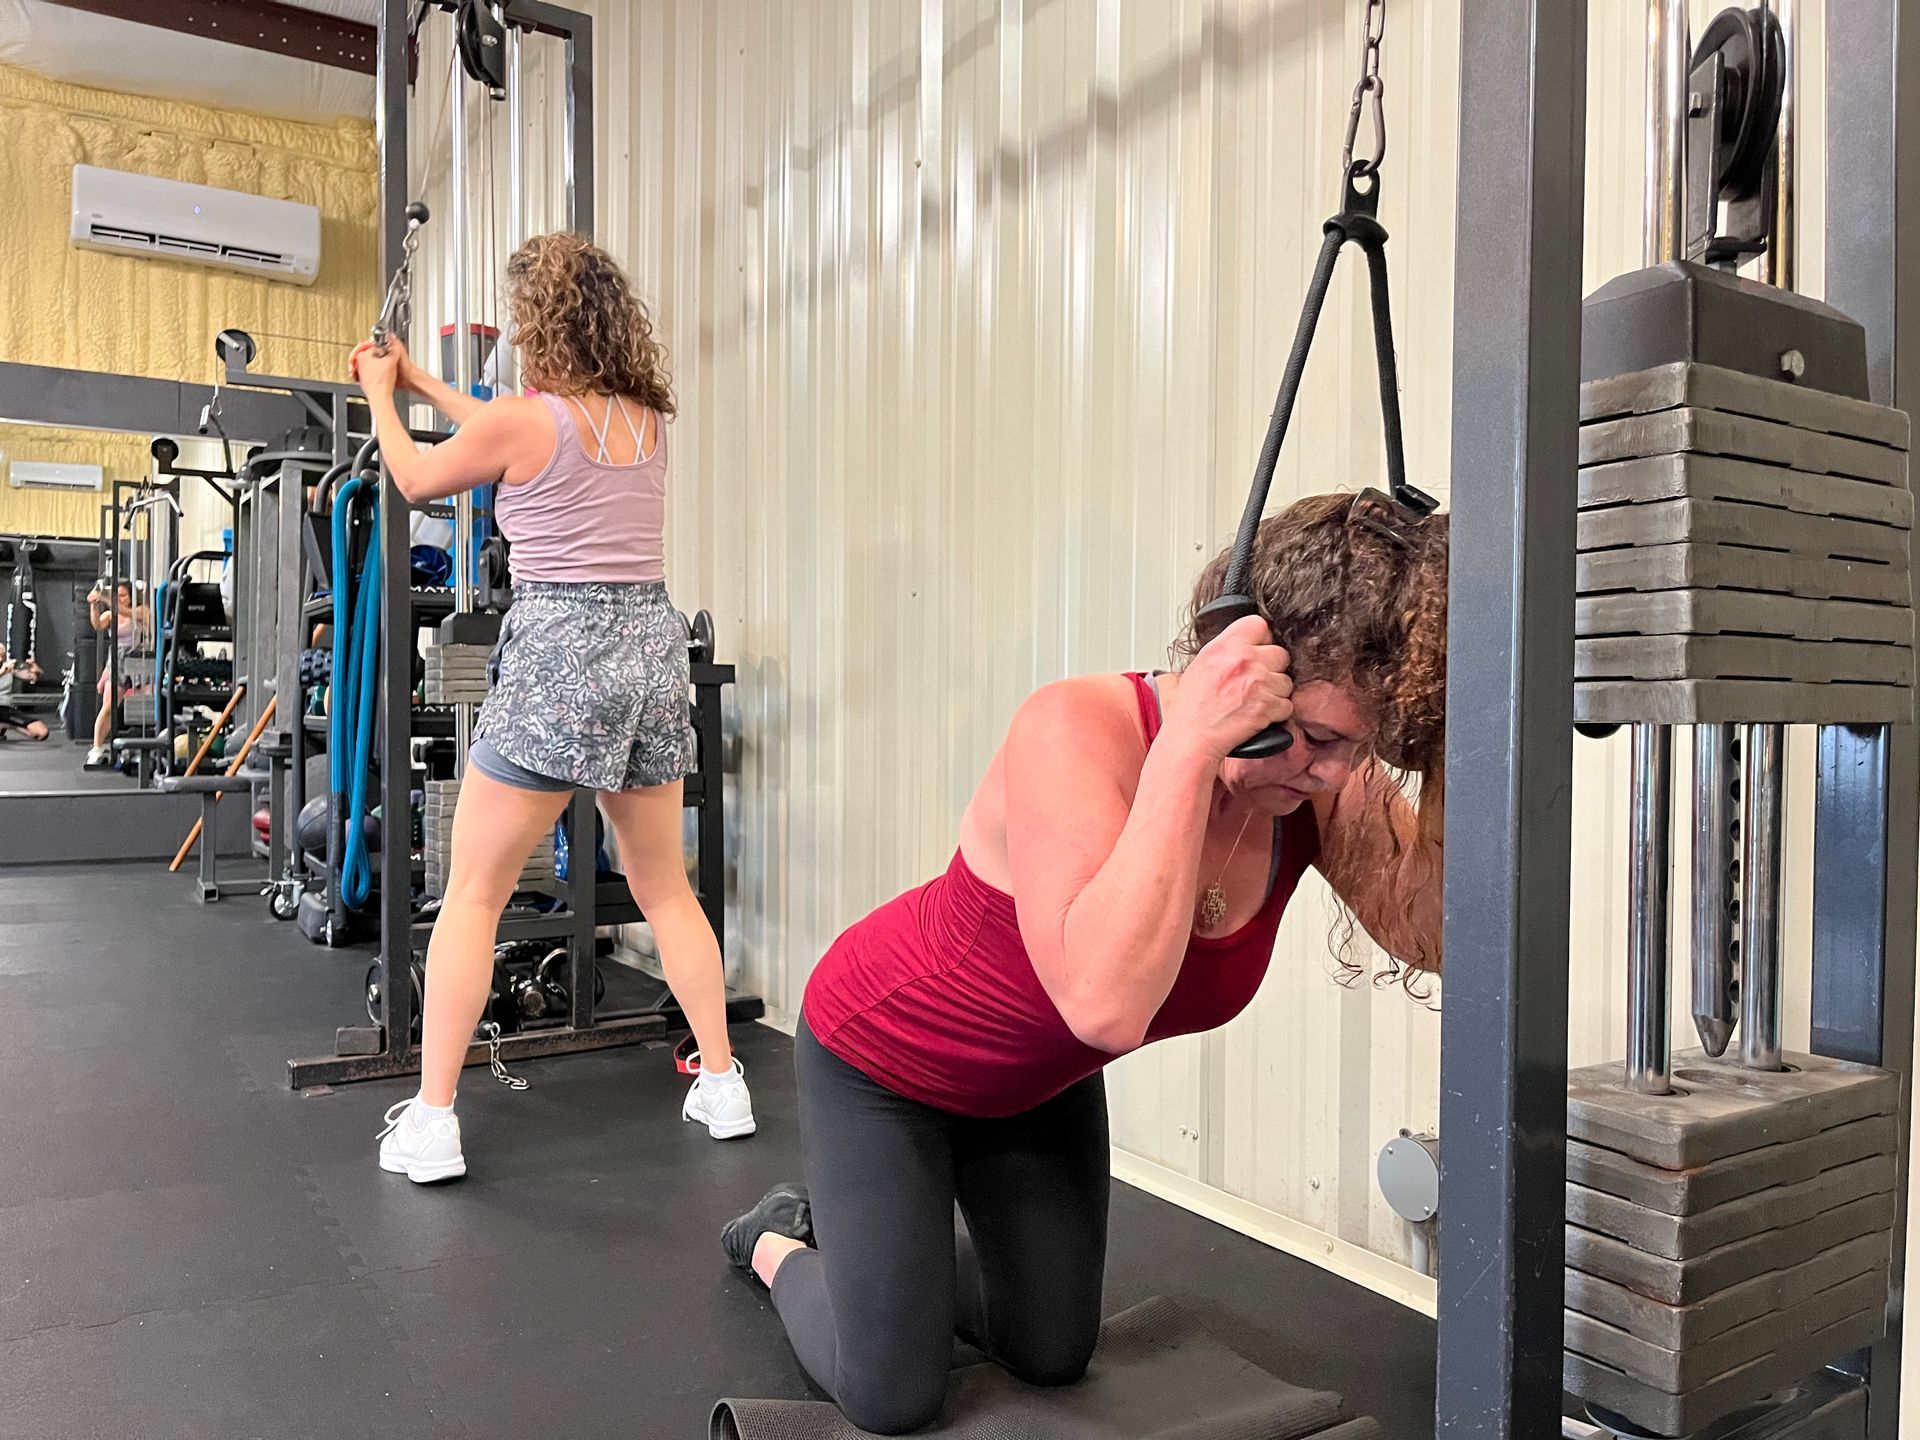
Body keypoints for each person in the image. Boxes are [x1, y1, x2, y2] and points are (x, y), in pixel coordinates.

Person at [721, 491, 1448, 1435]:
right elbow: (1103, 1004)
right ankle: (778, 1239)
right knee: (892, 1395)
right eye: (1310, 738)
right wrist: (1190, 747)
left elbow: (1430, 938)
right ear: (1237, 672)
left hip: (1034, 1085)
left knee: (1052, 1353)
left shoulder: (1314, 784)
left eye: (1357, 745)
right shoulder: (1076, 727)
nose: (1333, 772)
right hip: (886, 1059)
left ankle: (892, 1264)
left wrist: (1447, 753)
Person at [349, 231, 750, 1184]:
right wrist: (423, 383)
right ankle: (722, 1081)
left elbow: (418, 476)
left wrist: (379, 396)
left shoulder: (526, 424)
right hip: (650, 653)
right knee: (664, 887)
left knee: (474, 894)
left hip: (562, 657)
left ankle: (433, 1123)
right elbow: (500, 426)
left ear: (539, 327)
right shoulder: (645, 420)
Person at [84, 580, 148, 768]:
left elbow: (127, 613)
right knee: (108, 707)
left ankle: (146, 747)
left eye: (123, 595)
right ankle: (97, 748)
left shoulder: (141, 610)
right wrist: (93, 605)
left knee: (146, 704)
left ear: (131, 596)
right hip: (116, 660)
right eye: (117, 595)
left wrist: (108, 599)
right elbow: (97, 625)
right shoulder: (110, 614)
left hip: (138, 658)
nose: (120, 599)